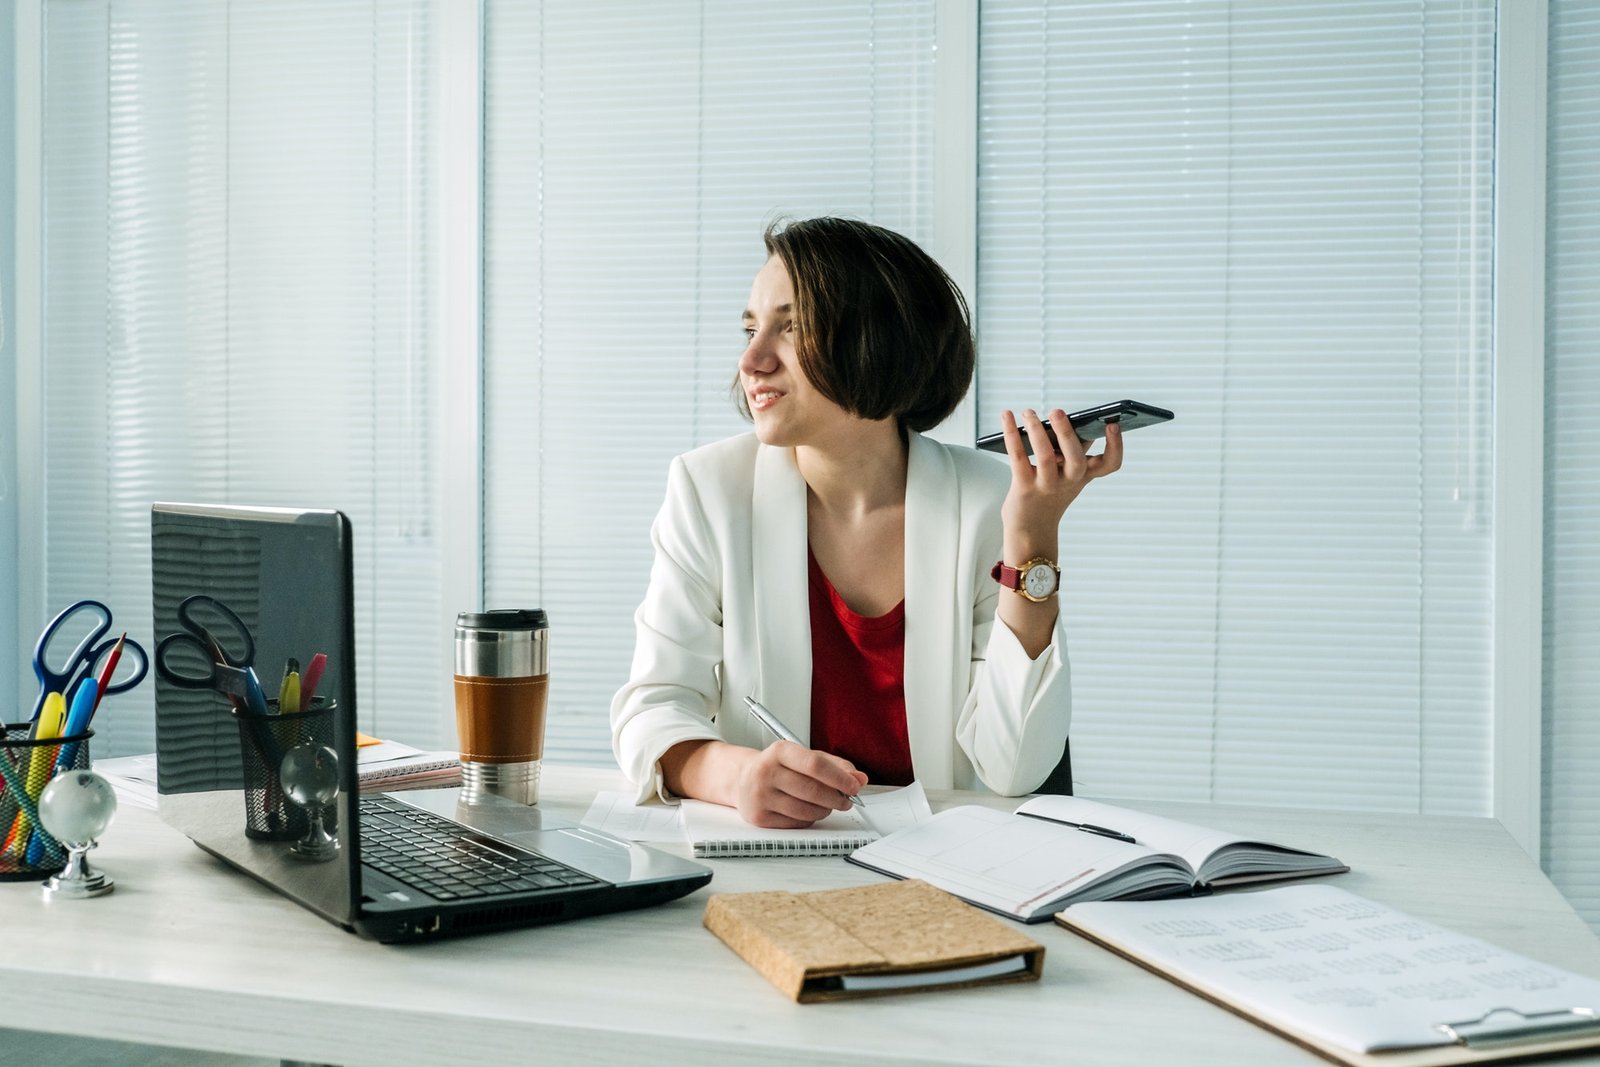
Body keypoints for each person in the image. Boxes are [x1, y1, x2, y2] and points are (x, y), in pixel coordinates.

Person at [610, 217, 1123, 827]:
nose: (751, 360)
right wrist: (737, 775)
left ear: (876, 341)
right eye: (751, 329)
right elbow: (652, 709)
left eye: (791, 327)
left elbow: (1016, 769)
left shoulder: (994, 501)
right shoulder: (709, 490)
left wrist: (1033, 541)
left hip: (939, 868)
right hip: (775, 862)